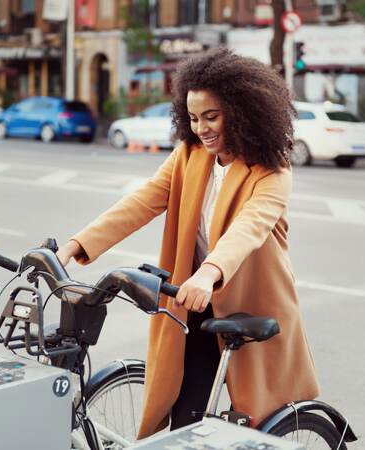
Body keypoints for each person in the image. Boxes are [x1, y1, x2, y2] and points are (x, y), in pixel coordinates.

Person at [56, 47, 319, 439]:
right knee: (185, 418)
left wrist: (209, 272)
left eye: (212, 116)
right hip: (192, 299)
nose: (201, 128)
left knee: (259, 419)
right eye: (193, 118)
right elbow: (144, 200)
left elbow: (249, 227)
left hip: (250, 301)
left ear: (242, 111)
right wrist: (78, 245)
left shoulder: (271, 171)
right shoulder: (189, 155)